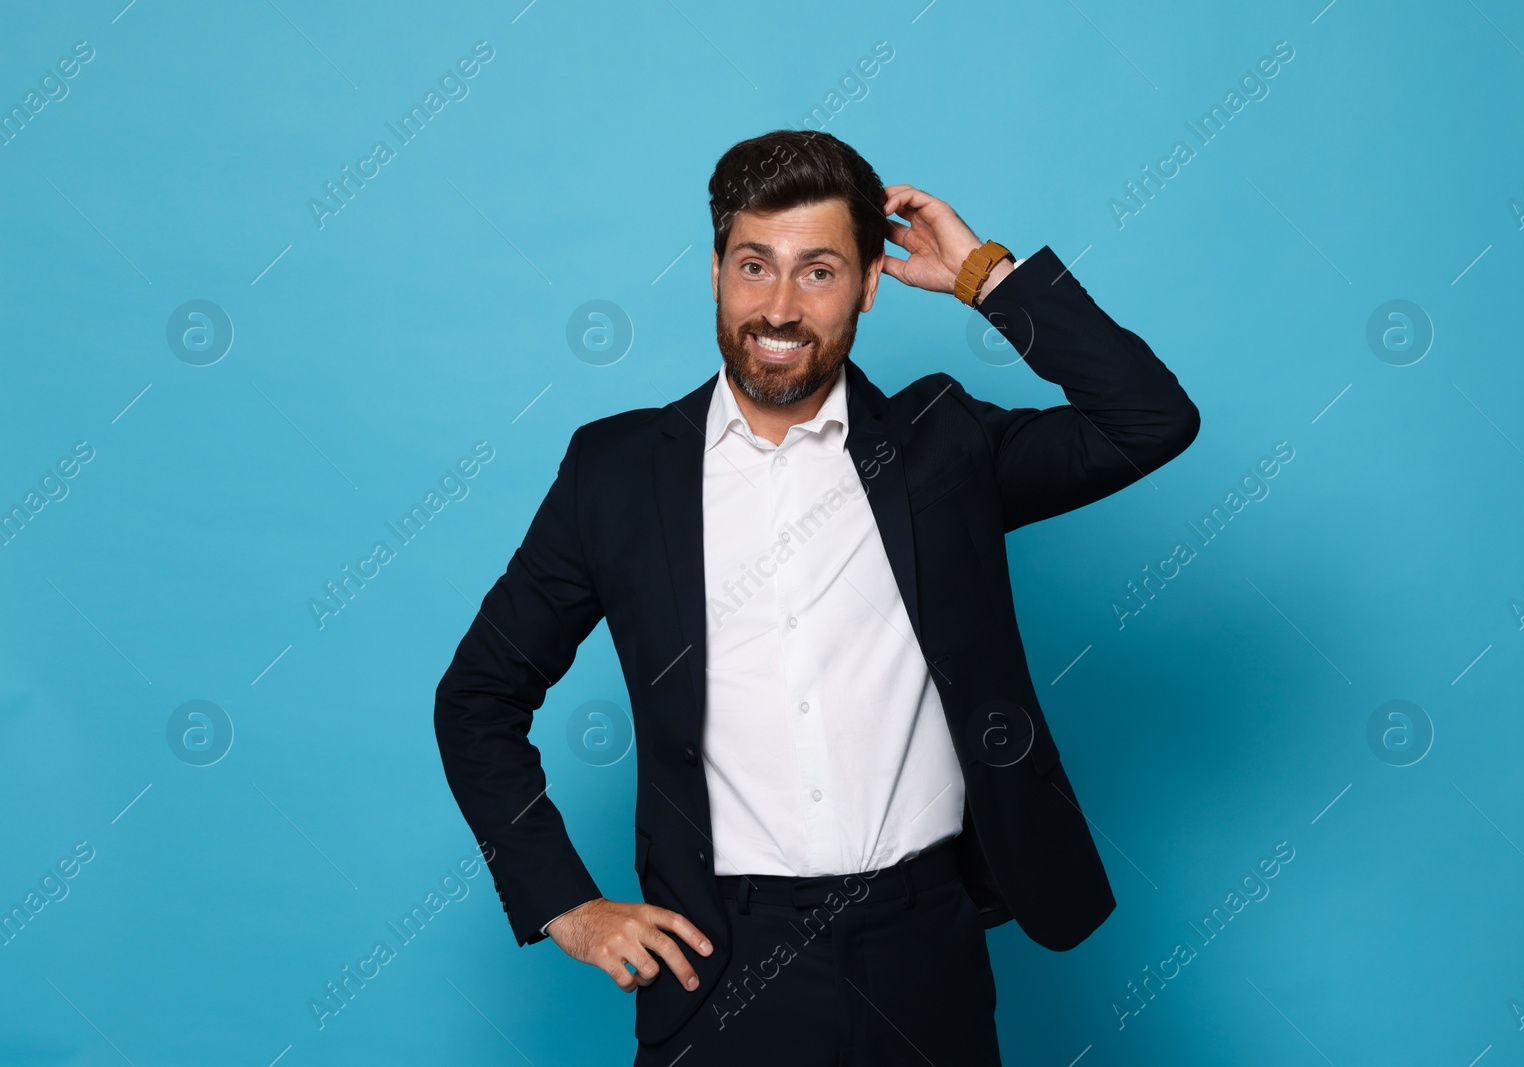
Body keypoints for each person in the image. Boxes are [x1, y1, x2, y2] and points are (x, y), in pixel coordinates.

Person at [434, 129, 1200, 1065]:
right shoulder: (618, 470)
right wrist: (564, 901)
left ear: (872, 283)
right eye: (754, 265)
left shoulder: (942, 446)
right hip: (719, 965)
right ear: (714, 270)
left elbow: (1149, 420)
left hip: (925, 951)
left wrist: (986, 275)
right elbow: (477, 696)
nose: (780, 307)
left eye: (820, 271)